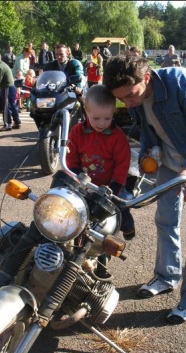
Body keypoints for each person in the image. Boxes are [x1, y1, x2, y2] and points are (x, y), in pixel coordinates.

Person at [103, 55, 186, 324]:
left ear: (146, 77)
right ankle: (166, 276)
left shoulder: (182, 84)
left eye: (130, 95)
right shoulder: (135, 97)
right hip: (170, 161)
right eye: (121, 99)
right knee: (165, 220)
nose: (127, 103)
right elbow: (147, 129)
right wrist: (147, 154)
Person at [66, 84, 135, 240]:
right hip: (83, 182)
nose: (101, 123)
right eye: (96, 118)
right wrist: (75, 174)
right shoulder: (77, 131)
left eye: (107, 118)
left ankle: (127, 224)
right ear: (86, 111)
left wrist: (115, 186)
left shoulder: (118, 137)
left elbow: (122, 165)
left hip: (110, 185)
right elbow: (71, 157)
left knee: (120, 206)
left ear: (113, 113)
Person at [0, 49, 21, 131]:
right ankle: (17, 122)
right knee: (12, 105)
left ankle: (7, 124)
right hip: (11, 87)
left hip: (7, 87)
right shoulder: (3, 64)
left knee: (6, 107)